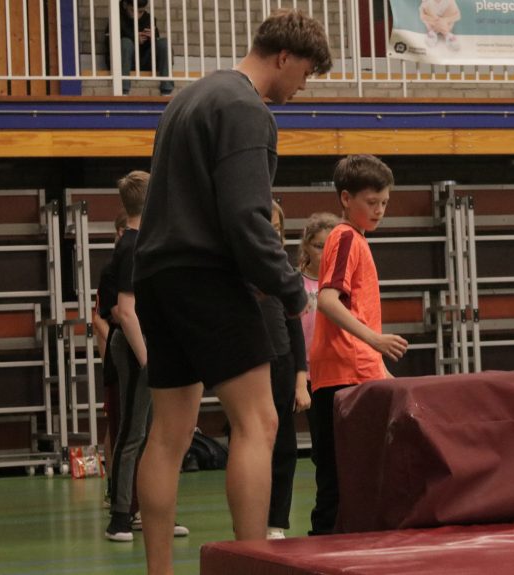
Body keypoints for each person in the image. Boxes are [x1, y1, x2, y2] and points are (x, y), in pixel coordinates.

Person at [131, 9, 332, 573]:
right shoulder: (246, 108)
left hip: (156, 276)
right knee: (259, 421)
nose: (302, 87)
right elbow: (246, 218)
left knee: (168, 434)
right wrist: (292, 289)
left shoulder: (187, 99)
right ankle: (251, 564)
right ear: (284, 57)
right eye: (305, 74)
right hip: (207, 277)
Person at [307, 154, 409, 535]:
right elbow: (328, 300)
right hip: (343, 377)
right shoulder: (346, 237)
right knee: (337, 482)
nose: (380, 210)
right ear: (346, 199)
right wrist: (375, 341)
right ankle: (322, 549)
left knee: (353, 478)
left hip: (355, 372)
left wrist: (378, 365)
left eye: (385, 202)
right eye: (372, 202)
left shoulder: (358, 240)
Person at [104, 172, 189, 543]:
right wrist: (147, 360)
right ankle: (120, 515)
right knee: (133, 431)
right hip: (135, 347)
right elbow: (126, 311)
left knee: (156, 435)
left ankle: (150, 511)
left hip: (151, 345)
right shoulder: (131, 246)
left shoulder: (147, 242)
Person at [225, 201, 312, 539]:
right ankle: (247, 519)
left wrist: (301, 378)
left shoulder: (282, 268)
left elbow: (295, 327)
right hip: (246, 361)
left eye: (277, 228)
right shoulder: (236, 266)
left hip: (282, 362)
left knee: (284, 446)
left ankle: (276, 520)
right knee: (248, 439)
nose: (272, 233)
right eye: (267, 227)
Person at [96, 211, 127, 503]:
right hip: (119, 359)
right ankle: (115, 487)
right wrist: (113, 353)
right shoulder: (111, 271)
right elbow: (102, 319)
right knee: (117, 429)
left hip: (134, 354)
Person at [298, 212, 340, 372]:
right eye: (319, 246)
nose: (325, 252)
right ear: (306, 246)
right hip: (303, 370)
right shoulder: (295, 282)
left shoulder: (342, 284)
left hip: (334, 368)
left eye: (331, 246)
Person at [110, 0, 174, 96]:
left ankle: (166, 90)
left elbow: (159, 46)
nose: (136, 15)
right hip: (125, 63)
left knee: (164, 42)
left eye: (140, 12)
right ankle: (123, 90)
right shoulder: (116, 18)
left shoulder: (148, 19)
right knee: (125, 42)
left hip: (146, 60)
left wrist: (153, 38)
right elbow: (110, 45)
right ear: (125, 5)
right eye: (133, 10)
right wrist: (134, 38)